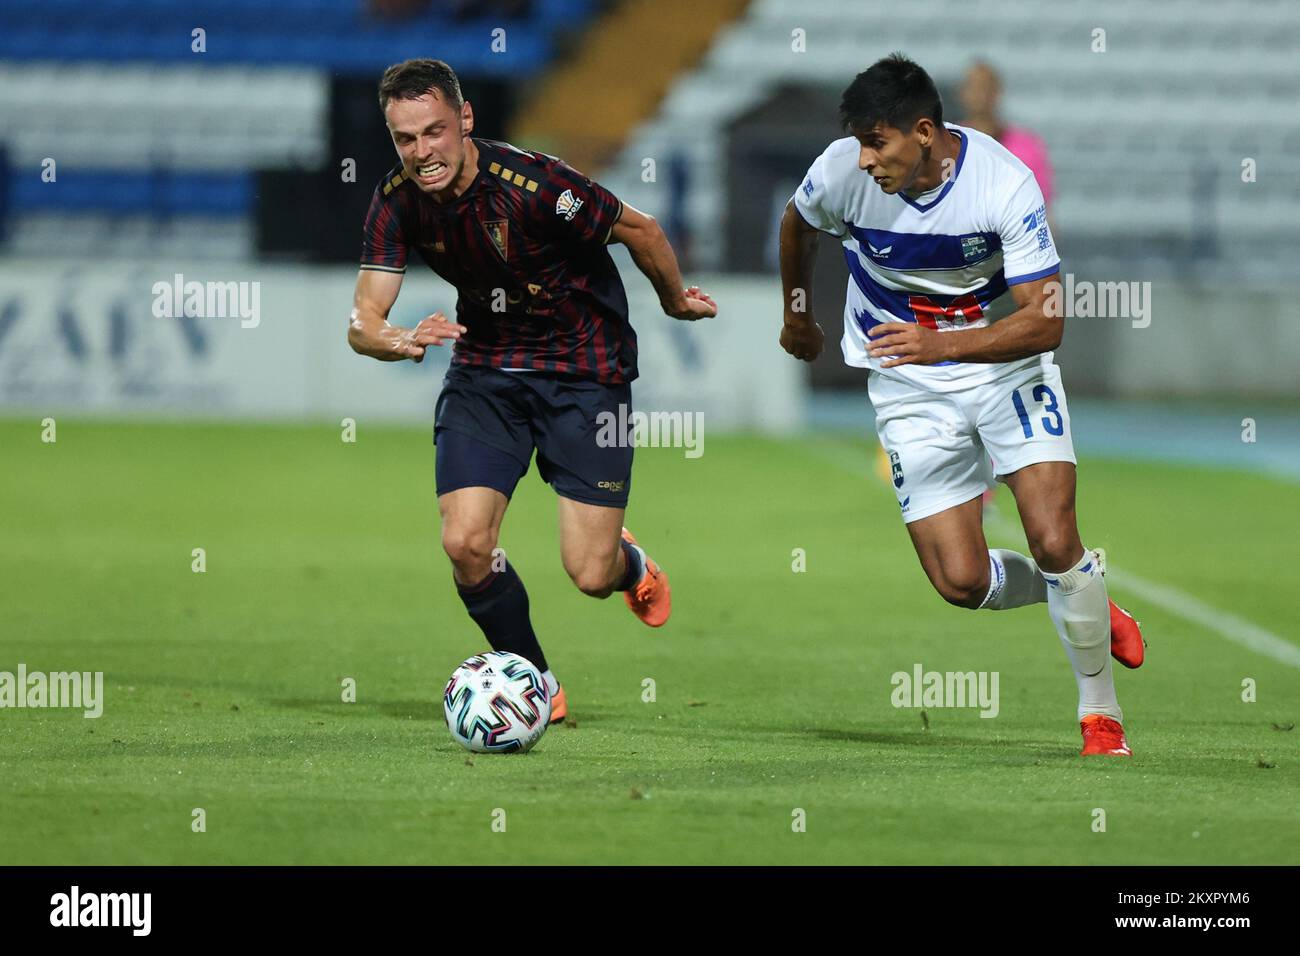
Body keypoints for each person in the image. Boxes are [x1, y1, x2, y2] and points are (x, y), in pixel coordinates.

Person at [778, 54, 1143, 757]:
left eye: (876, 142)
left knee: (1054, 536)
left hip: (1005, 367)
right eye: (857, 141)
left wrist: (942, 346)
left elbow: (1048, 319)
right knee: (961, 581)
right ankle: (1082, 593)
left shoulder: (1002, 183)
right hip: (908, 385)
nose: (864, 159)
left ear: (922, 132)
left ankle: (1101, 717)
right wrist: (798, 315)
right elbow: (798, 225)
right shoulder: (841, 172)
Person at [348, 59, 716, 724]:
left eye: (434, 131)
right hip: (486, 372)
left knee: (589, 574)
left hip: (587, 373)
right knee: (464, 543)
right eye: (405, 138)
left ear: (464, 120)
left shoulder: (535, 185)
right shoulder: (395, 198)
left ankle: (628, 566)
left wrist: (675, 300)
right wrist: (398, 340)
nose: (421, 152)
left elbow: (642, 229)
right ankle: (535, 682)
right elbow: (363, 323)